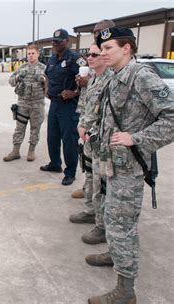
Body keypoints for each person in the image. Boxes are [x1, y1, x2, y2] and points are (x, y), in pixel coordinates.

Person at [87, 27, 174, 303]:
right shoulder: (116, 76)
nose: (103, 53)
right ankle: (114, 254)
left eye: (109, 47)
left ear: (127, 47)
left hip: (129, 170)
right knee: (113, 222)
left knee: (121, 226)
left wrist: (136, 138)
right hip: (112, 164)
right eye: (101, 48)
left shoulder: (142, 76)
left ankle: (126, 291)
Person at [68, 43, 113, 248]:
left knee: (101, 183)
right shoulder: (92, 79)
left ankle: (102, 226)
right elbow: (85, 107)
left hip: (104, 142)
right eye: (89, 54)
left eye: (95, 54)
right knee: (88, 174)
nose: (90, 58)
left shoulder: (111, 80)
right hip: (89, 138)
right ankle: (91, 211)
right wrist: (82, 127)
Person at [71, 19, 116, 200]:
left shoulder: (114, 68)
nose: (97, 35)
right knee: (89, 164)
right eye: (95, 32)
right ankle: (89, 190)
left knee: (104, 177)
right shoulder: (95, 69)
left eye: (101, 32)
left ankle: (95, 198)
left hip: (107, 134)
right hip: (90, 126)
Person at [42, 28, 86, 185]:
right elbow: (47, 75)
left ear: (67, 42)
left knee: (69, 140)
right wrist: (47, 88)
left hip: (68, 106)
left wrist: (74, 93)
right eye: (53, 41)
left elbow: (87, 80)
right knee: (52, 137)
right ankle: (55, 164)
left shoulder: (76, 58)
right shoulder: (53, 58)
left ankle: (70, 172)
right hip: (54, 103)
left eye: (58, 41)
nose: (55, 44)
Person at [4, 44, 46, 162]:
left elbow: (50, 84)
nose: (31, 56)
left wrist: (43, 79)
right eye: (29, 53)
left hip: (37, 103)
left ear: (38, 54)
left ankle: (31, 151)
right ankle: (15, 151)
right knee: (19, 128)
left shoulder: (44, 68)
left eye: (33, 53)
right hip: (23, 103)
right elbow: (11, 81)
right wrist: (17, 77)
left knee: (35, 128)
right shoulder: (22, 67)